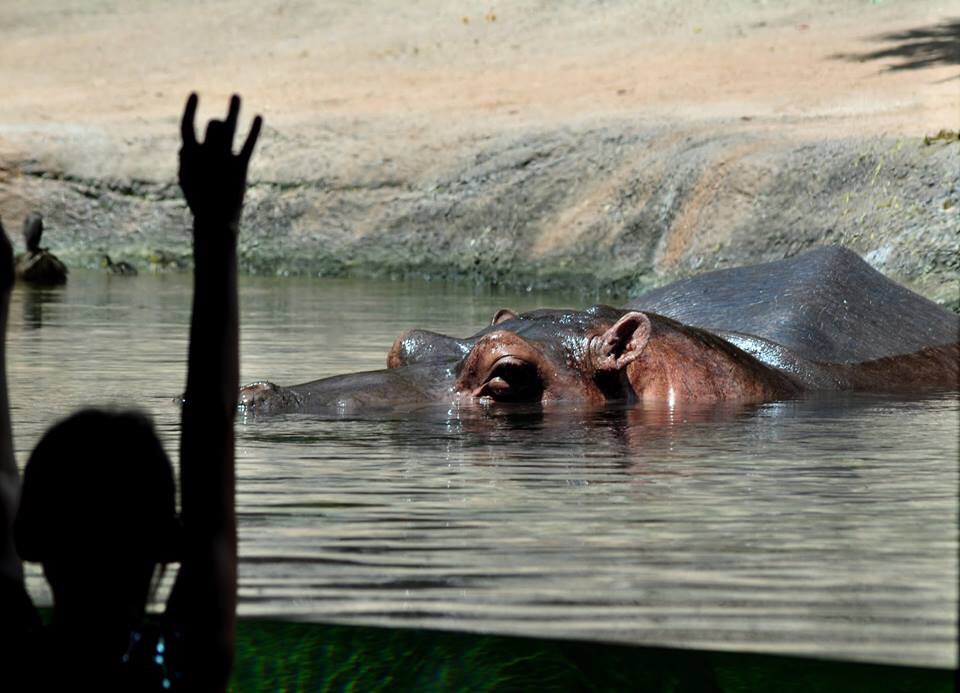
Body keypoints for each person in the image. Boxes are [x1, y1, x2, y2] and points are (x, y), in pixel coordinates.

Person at [0, 94, 262, 690]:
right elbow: (211, 431)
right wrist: (217, 225)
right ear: (171, 539)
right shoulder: (184, 662)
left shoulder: (14, 662)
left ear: (28, 534)